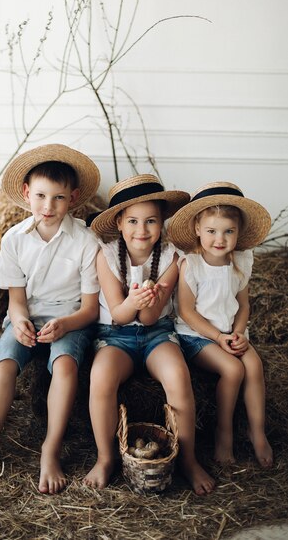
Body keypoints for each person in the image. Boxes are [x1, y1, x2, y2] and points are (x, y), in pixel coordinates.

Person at [0, 144, 101, 493]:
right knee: (3, 364)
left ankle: (50, 450)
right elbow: (16, 302)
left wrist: (65, 324)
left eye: (59, 198)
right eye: (40, 196)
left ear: (74, 198)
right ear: (26, 193)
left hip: (71, 318)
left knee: (64, 366)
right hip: (29, 318)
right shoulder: (14, 240)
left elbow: (91, 309)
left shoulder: (86, 240)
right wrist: (19, 321)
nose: (48, 207)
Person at [83, 174, 215, 495]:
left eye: (151, 221)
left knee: (178, 376)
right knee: (100, 377)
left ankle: (187, 459)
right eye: (133, 221)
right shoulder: (106, 255)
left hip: (157, 333)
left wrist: (150, 302)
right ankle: (105, 458)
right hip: (117, 336)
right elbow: (118, 314)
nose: (142, 230)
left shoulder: (172, 258)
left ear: (162, 222)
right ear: (119, 222)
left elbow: (151, 316)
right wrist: (132, 301)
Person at [167, 181, 273, 468]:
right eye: (212, 231)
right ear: (198, 229)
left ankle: (257, 431)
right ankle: (223, 433)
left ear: (238, 233)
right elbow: (187, 313)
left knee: (254, 366)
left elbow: (243, 305)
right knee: (233, 368)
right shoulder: (191, 265)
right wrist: (218, 337)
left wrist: (238, 332)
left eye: (229, 231)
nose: (220, 239)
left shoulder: (239, 261)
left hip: (230, 332)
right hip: (198, 336)